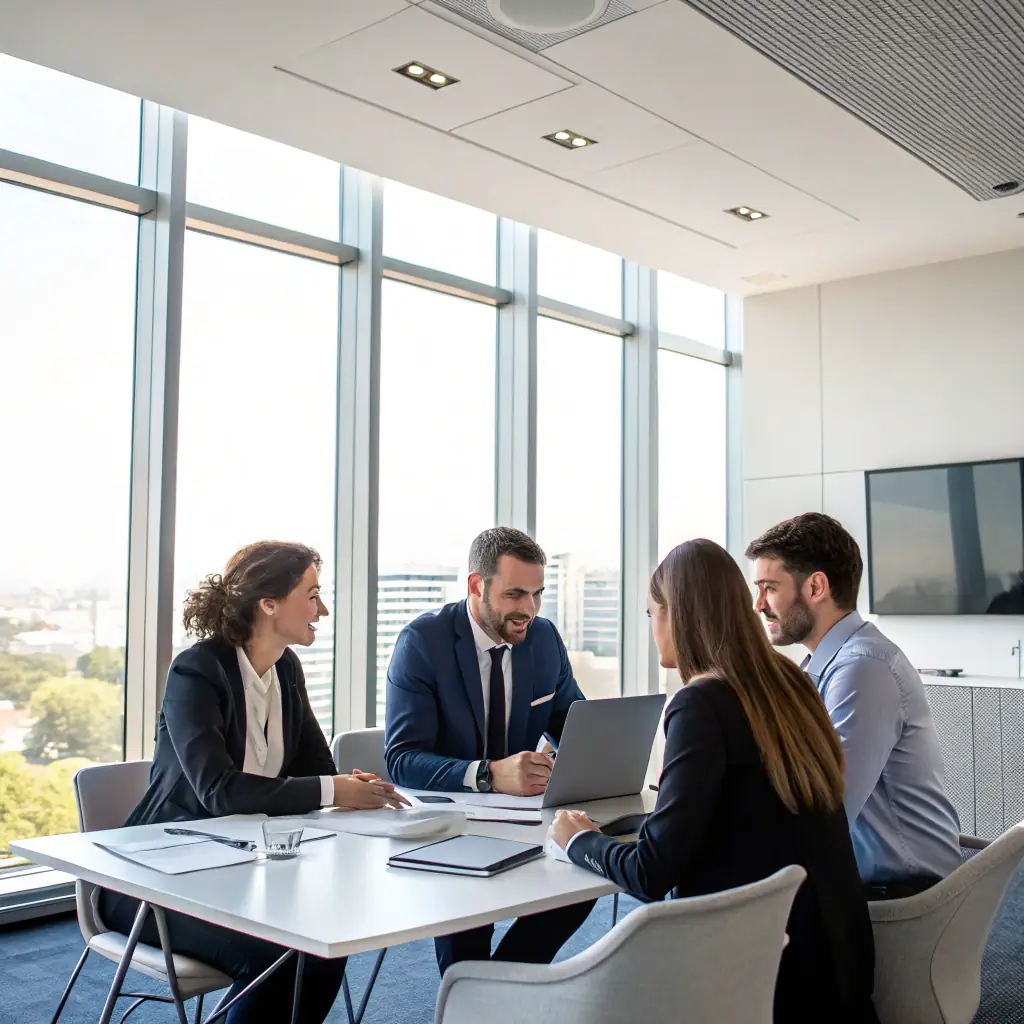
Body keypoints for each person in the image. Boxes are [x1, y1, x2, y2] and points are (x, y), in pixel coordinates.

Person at [549, 540, 879, 1023]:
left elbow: (651, 873)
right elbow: (751, 809)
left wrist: (580, 840)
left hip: (754, 982)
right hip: (835, 968)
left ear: (677, 615)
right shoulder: (793, 684)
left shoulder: (700, 703)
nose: (652, 628)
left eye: (651, 614)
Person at [100, 541, 408, 1024]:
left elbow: (315, 770)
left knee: (326, 940)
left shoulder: (286, 668)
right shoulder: (197, 671)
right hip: (155, 883)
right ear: (269, 604)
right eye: (311, 595)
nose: (321, 610)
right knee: (276, 952)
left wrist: (349, 785)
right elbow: (218, 791)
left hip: (247, 872)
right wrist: (332, 790)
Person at [385, 526, 595, 974]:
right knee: (469, 929)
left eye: (537, 594)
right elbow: (403, 758)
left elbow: (573, 723)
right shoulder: (423, 643)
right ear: (476, 586)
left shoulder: (543, 640)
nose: (529, 610)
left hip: (525, 816)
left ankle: (493, 991)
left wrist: (578, 761)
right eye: (515, 595)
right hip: (450, 827)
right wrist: (489, 774)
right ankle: (481, 993)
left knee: (584, 876)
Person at [746, 513, 962, 896]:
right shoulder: (824, 665)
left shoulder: (864, 668)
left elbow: (827, 811)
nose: (758, 604)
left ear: (815, 587)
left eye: (769, 588)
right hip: (859, 879)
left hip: (902, 894)